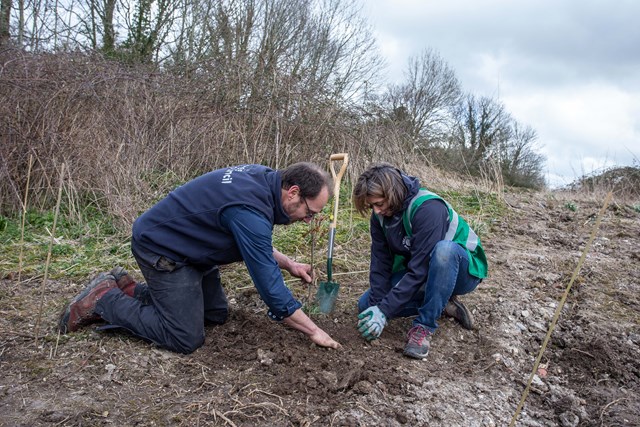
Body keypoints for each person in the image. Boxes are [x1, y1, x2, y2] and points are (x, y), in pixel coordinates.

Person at [59, 162, 341, 353]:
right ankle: (103, 300)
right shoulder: (250, 209)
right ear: (293, 193)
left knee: (214, 314)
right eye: (310, 212)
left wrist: (289, 263)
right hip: (163, 249)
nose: (308, 220)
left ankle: (127, 288)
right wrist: (314, 331)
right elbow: (271, 289)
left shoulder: (264, 179)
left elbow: (250, 240)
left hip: (193, 248)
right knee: (185, 337)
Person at [352, 163, 488, 360]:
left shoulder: (428, 208)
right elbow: (380, 264)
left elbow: (421, 268)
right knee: (365, 304)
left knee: (444, 251)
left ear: (393, 194)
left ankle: (424, 326)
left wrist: (385, 310)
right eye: (371, 206)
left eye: (379, 204)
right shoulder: (380, 217)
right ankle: (443, 305)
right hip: (422, 272)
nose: (376, 211)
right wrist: (377, 308)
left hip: (463, 271)